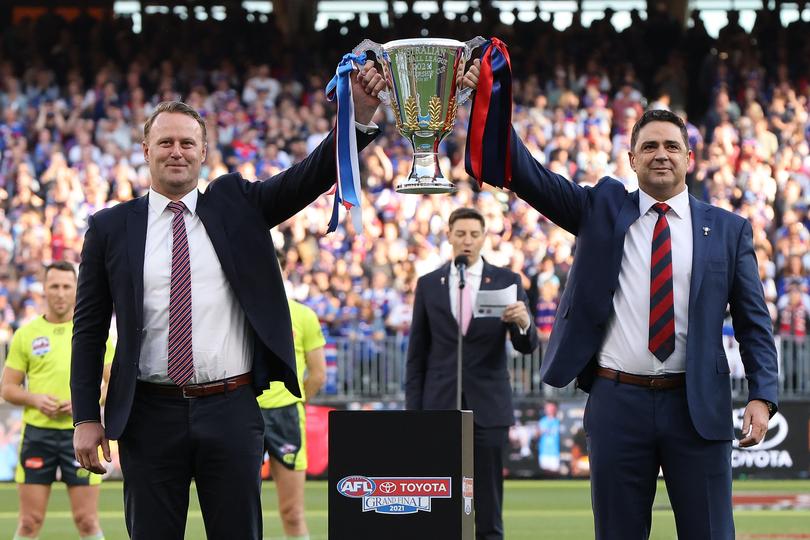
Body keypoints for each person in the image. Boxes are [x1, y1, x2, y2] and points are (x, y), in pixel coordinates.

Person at [464, 64, 778, 540]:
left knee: (712, 532)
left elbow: (755, 322)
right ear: (632, 159)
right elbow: (527, 175)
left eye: (671, 146)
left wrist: (762, 394)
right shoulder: (600, 208)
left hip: (697, 407)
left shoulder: (729, 230)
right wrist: (486, 99)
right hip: (617, 402)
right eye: (649, 146)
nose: (661, 155)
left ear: (689, 157)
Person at [71, 63, 384, 540]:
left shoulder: (237, 204)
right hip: (148, 413)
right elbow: (89, 330)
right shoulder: (111, 227)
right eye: (166, 143)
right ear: (146, 151)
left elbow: (309, 176)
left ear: (202, 153)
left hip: (231, 407)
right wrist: (86, 417)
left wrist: (355, 119)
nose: (177, 152)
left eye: (187, 143)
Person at [406, 207, 539, 540]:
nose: (467, 241)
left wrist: (524, 322)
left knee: (489, 506)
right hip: (439, 406)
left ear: (484, 238)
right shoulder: (428, 285)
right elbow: (417, 355)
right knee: (439, 501)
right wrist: (414, 414)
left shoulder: (507, 281)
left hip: (488, 407)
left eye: (474, 234)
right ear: (449, 235)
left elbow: (526, 346)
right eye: (461, 234)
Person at [0, 261, 113, 540]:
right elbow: (7, 388)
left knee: (86, 521)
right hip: (37, 435)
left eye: (66, 286)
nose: (60, 293)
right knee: (29, 522)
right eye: (54, 286)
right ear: (44, 290)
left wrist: (85, 405)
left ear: (76, 290)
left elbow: (114, 383)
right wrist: (35, 399)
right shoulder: (26, 334)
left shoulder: (94, 333)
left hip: (82, 434)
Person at [257, 250, 326, 540]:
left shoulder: (302, 315)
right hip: (241, 411)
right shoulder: (235, 309)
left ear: (284, 271)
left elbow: (318, 373)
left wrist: (296, 400)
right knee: (235, 512)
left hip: (285, 414)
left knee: (293, 513)